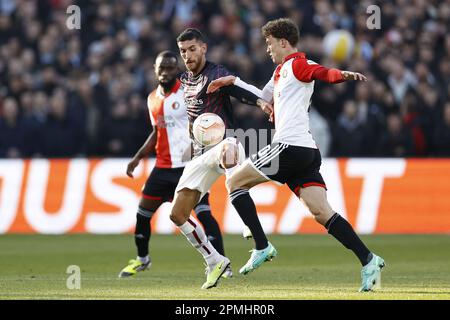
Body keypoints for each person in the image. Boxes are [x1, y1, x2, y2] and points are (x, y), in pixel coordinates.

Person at [207, 18, 385, 292]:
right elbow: (261, 97)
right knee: (321, 212)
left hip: (289, 146)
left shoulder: (297, 64)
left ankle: (261, 245)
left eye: (269, 43)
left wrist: (342, 75)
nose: (267, 49)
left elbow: (321, 72)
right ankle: (368, 259)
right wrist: (234, 82)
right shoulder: (279, 73)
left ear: (283, 42)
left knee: (234, 183)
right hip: (306, 151)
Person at [169, 28, 274, 289]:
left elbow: (237, 88)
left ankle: (250, 226)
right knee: (177, 213)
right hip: (198, 153)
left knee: (229, 153)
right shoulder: (183, 81)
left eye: (192, 49)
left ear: (203, 48)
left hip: (225, 142)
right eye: (183, 51)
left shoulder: (216, 72)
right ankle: (214, 259)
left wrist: (261, 103)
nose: (188, 55)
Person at [118, 51, 228, 278]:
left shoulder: (188, 93)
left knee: (204, 214)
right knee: (142, 215)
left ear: (177, 69)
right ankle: (142, 260)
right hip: (162, 168)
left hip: (189, 167)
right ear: (155, 70)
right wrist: (138, 157)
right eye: (162, 68)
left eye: (170, 67)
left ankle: (222, 265)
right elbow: (157, 132)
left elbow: (206, 124)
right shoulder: (152, 99)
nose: (166, 72)